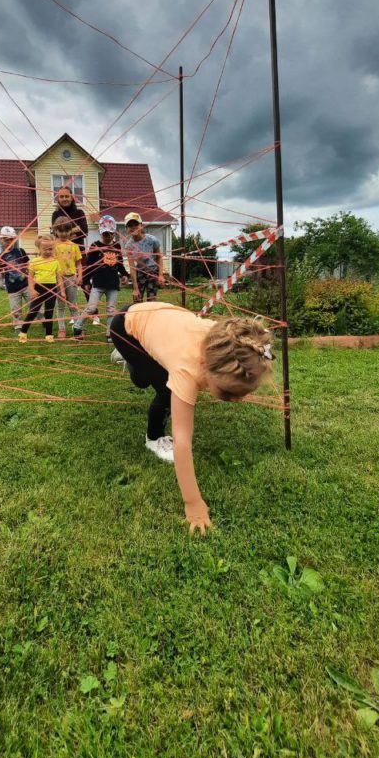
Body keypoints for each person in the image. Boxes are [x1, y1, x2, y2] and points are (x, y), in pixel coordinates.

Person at [109, 302, 273, 535]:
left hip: (158, 315)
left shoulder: (227, 341)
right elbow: (182, 440)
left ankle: (142, 356)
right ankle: (153, 437)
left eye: (241, 393)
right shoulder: (186, 369)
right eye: (229, 393)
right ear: (205, 367)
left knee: (161, 373)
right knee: (158, 387)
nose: (237, 400)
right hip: (124, 328)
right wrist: (193, 504)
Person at [73, 215, 128, 342]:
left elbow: (120, 263)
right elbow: (89, 265)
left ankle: (109, 333)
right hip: (97, 283)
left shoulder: (117, 247)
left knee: (111, 310)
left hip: (113, 284)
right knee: (91, 308)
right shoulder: (95, 246)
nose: (108, 236)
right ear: (101, 232)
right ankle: (77, 326)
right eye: (105, 233)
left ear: (114, 232)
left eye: (110, 233)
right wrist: (86, 281)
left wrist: (125, 274)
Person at [19, 234, 65, 343]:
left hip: (51, 289)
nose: (48, 251)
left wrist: (62, 291)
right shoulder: (34, 262)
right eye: (45, 249)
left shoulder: (56, 262)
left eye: (50, 249)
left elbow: (59, 278)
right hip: (38, 289)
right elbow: (30, 278)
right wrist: (32, 290)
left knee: (49, 312)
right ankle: (23, 332)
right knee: (33, 311)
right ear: (39, 249)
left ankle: (49, 335)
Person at [122, 211, 165, 302]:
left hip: (152, 272)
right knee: (137, 300)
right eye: (130, 225)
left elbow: (159, 257)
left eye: (136, 224)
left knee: (151, 301)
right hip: (140, 273)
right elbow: (132, 267)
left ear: (141, 225)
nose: (133, 227)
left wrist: (160, 275)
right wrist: (135, 288)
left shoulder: (152, 240)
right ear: (126, 228)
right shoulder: (129, 246)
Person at [53, 218, 83, 338]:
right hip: (58, 278)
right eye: (60, 231)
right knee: (60, 305)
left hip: (71, 278)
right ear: (56, 231)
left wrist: (80, 276)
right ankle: (61, 329)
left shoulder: (74, 246)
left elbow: (79, 264)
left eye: (66, 230)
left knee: (73, 304)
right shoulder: (53, 246)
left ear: (70, 231)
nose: (63, 233)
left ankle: (77, 328)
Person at [0, 225, 30, 334]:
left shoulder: (20, 251)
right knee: (15, 309)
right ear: (1, 240)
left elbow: (28, 264)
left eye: (11, 239)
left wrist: (31, 276)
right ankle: (17, 325)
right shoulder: (0, 257)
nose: (9, 242)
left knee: (34, 304)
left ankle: (44, 319)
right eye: (6, 240)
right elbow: (0, 271)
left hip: (26, 285)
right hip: (12, 288)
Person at [51, 185, 88, 250]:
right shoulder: (55, 214)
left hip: (79, 252)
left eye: (67, 196)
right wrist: (75, 230)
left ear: (71, 198)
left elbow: (85, 231)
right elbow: (55, 233)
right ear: (58, 199)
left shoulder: (79, 213)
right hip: (61, 252)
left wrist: (63, 234)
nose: (64, 199)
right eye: (61, 197)